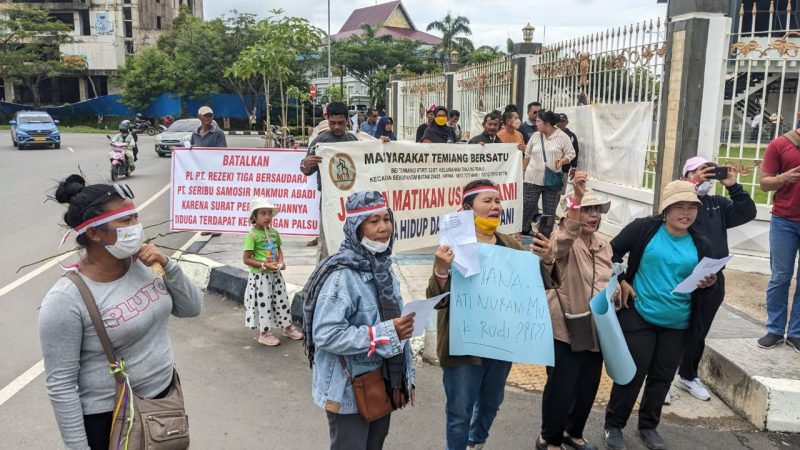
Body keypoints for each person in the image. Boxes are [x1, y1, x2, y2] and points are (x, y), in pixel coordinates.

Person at [40, 175, 204, 449]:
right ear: (94, 233)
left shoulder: (143, 264)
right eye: (125, 221)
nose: (136, 227)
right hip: (112, 420)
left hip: (165, 400)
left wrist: (168, 264)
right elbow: (61, 385)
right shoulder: (66, 299)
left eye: (136, 218)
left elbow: (192, 308)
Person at [427, 179, 560, 450]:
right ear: (468, 208)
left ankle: (476, 442)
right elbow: (436, 301)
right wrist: (441, 271)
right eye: (487, 201)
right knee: (459, 411)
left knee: (490, 403)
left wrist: (547, 260)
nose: (495, 207)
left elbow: (537, 284)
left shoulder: (510, 245)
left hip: (499, 344)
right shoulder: (452, 248)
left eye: (497, 201)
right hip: (461, 346)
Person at [604, 180, 717, 450]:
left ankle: (648, 427)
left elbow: (709, 281)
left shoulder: (702, 242)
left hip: (678, 322)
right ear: (665, 209)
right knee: (632, 373)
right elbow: (610, 253)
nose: (686, 212)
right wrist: (620, 280)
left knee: (662, 376)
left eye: (692, 207)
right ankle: (614, 424)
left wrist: (709, 283)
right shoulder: (644, 229)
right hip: (640, 314)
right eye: (679, 206)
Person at [303, 191, 415, 450]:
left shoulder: (383, 268)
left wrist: (407, 377)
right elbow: (326, 335)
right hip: (347, 389)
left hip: (381, 383)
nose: (384, 227)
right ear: (356, 228)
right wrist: (384, 333)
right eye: (373, 221)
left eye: (386, 219)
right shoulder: (341, 277)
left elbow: (397, 328)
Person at [537, 172, 612, 450]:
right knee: (562, 386)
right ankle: (550, 438)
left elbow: (606, 278)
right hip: (565, 325)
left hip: (596, 327)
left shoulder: (604, 244)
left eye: (595, 210)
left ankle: (573, 432)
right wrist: (576, 198)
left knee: (588, 385)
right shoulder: (564, 238)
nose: (592, 215)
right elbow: (559, 244)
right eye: (586, 210)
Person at [672, 157, 756, 401]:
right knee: (672, 328)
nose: (708, 176)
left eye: (711, 171)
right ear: (686, 175)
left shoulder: (716, 205)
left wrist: (733, 185)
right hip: (681, 275)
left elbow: (746, 211)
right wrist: (692, 185)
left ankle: (687, 375)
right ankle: (662, 377)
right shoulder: (678, 203)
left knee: (699, 329)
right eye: (701, 171)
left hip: (712, 277)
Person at [758, 127, 800, 351]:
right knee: (780, 276)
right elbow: (764, 183)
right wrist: (784, 178)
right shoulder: (780, 144)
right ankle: (774, 329)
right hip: (784, 220)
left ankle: (796, 333)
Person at [301, 102, 359, 259]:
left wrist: (382, 145)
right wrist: (306, 164)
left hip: (352, 200)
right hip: (329, 201)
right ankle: (324, 277)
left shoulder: (354, 140)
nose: (337, 127)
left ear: (347, 121)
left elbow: (368, 161)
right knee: (327, 242)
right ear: (328, 121)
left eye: (341, 123)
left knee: (352, 240)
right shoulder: (320, 142)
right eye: (333, 123)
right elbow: (305, 169)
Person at [242, 197, 302, 346]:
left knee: (281, 301)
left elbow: (278, 250)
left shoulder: (274, 233)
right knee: (264, 303)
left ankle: (287, 327)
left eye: (269, 213)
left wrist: (281, 261)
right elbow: (246, 259)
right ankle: (264, 333)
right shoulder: (252, 236)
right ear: (254, 217)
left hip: (275, 275)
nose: (268, 217)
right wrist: (263, 264)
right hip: (260, 277)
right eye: (263, 213)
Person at [522, 110, 575, 237]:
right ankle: (524, 230)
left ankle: (544, 235)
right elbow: (527, 155)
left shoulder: (562, 137)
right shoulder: (535, 136)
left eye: (538, 122)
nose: (536, 124)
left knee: (549, 210)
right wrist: (523, 172)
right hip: (532, 178)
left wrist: (563, 161)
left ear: (547, 123)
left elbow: (571, 153)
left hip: (552, 179)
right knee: (527, 206)